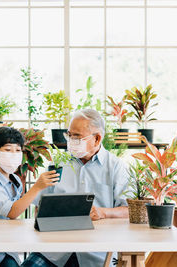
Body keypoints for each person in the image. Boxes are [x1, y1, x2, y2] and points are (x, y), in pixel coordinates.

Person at [21, 109, 129, 267]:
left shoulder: (116, 167)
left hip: (96, 254)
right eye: (69, 135)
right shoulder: (59, 163)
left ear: (97, 138)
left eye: (77, 137)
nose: (71, 141)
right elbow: (39, 205)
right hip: (54, 250)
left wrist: (103, 212)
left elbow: (130, 209)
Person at [0, 126, 60, 267]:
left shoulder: (15, 180)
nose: (14, 154)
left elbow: (22, 207)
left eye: (18, 150)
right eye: (8, 150)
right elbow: (12, 212)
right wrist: (37, 187)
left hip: (7, 250)